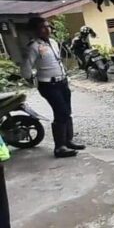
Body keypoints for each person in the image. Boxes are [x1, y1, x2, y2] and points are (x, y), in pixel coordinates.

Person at [21, 17, 85, 158]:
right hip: (48, 85)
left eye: (48, 26)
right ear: (35, 30)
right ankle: (59, 147)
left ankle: (68, 141)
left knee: (67, 112)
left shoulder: (54, 43)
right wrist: (33, 78)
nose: (47, 29)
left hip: (62, 82)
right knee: (61, 112)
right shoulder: (33, 47)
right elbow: (25, 69)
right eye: (42, 27)